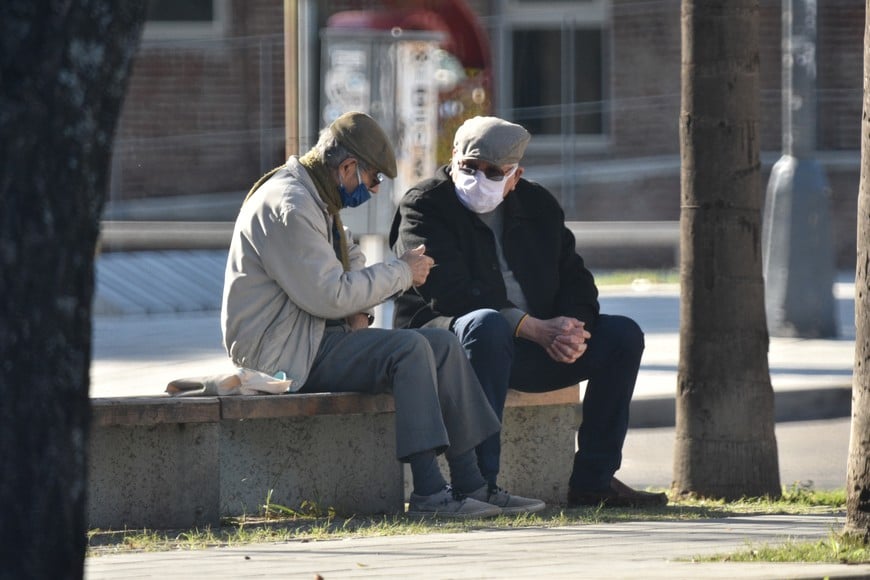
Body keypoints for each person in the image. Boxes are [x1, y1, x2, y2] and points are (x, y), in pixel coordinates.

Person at [221, 111, 542, 518]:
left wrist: (362, 311)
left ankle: (473, 483)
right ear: (349, 167)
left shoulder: (318, 196)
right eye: (373, 180)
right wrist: (402, 272)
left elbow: (351, 266)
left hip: (314, 337)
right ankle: (428, 491)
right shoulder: (292, 203)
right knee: (407, 350)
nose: (372, 191)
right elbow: (328, 294)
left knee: (442, 344)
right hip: (281, 355)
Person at [388, 116, 668, 508]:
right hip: (454, 347)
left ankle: (593, 481)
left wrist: (571, 329)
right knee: (486, 325)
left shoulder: (538, 205)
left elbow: (576, 279)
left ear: (515, 176)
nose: (478, 177)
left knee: (623, 336)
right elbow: (447, 293)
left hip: (534, 347)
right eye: (469, 167)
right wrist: (531, 327)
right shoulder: (424, 204)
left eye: (493, 172)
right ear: (453, 157)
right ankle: (481, 484)